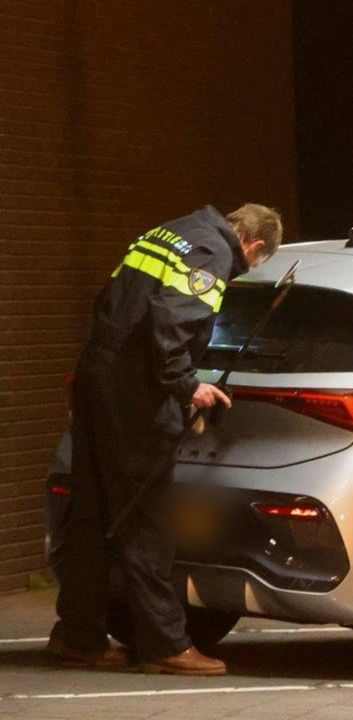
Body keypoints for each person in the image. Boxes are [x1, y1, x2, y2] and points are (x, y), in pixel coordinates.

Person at [47, 204, 282, 675]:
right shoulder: (212, 252)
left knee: (92, 515)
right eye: (252, 264)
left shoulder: (168, 232)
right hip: (134, 395)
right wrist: (186, 385)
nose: (243, 269)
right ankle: (164, 645)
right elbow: (168, 322)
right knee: (146, 520)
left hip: (99, 373)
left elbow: (112, 299)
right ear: (253, 246)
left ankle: (78, 634)